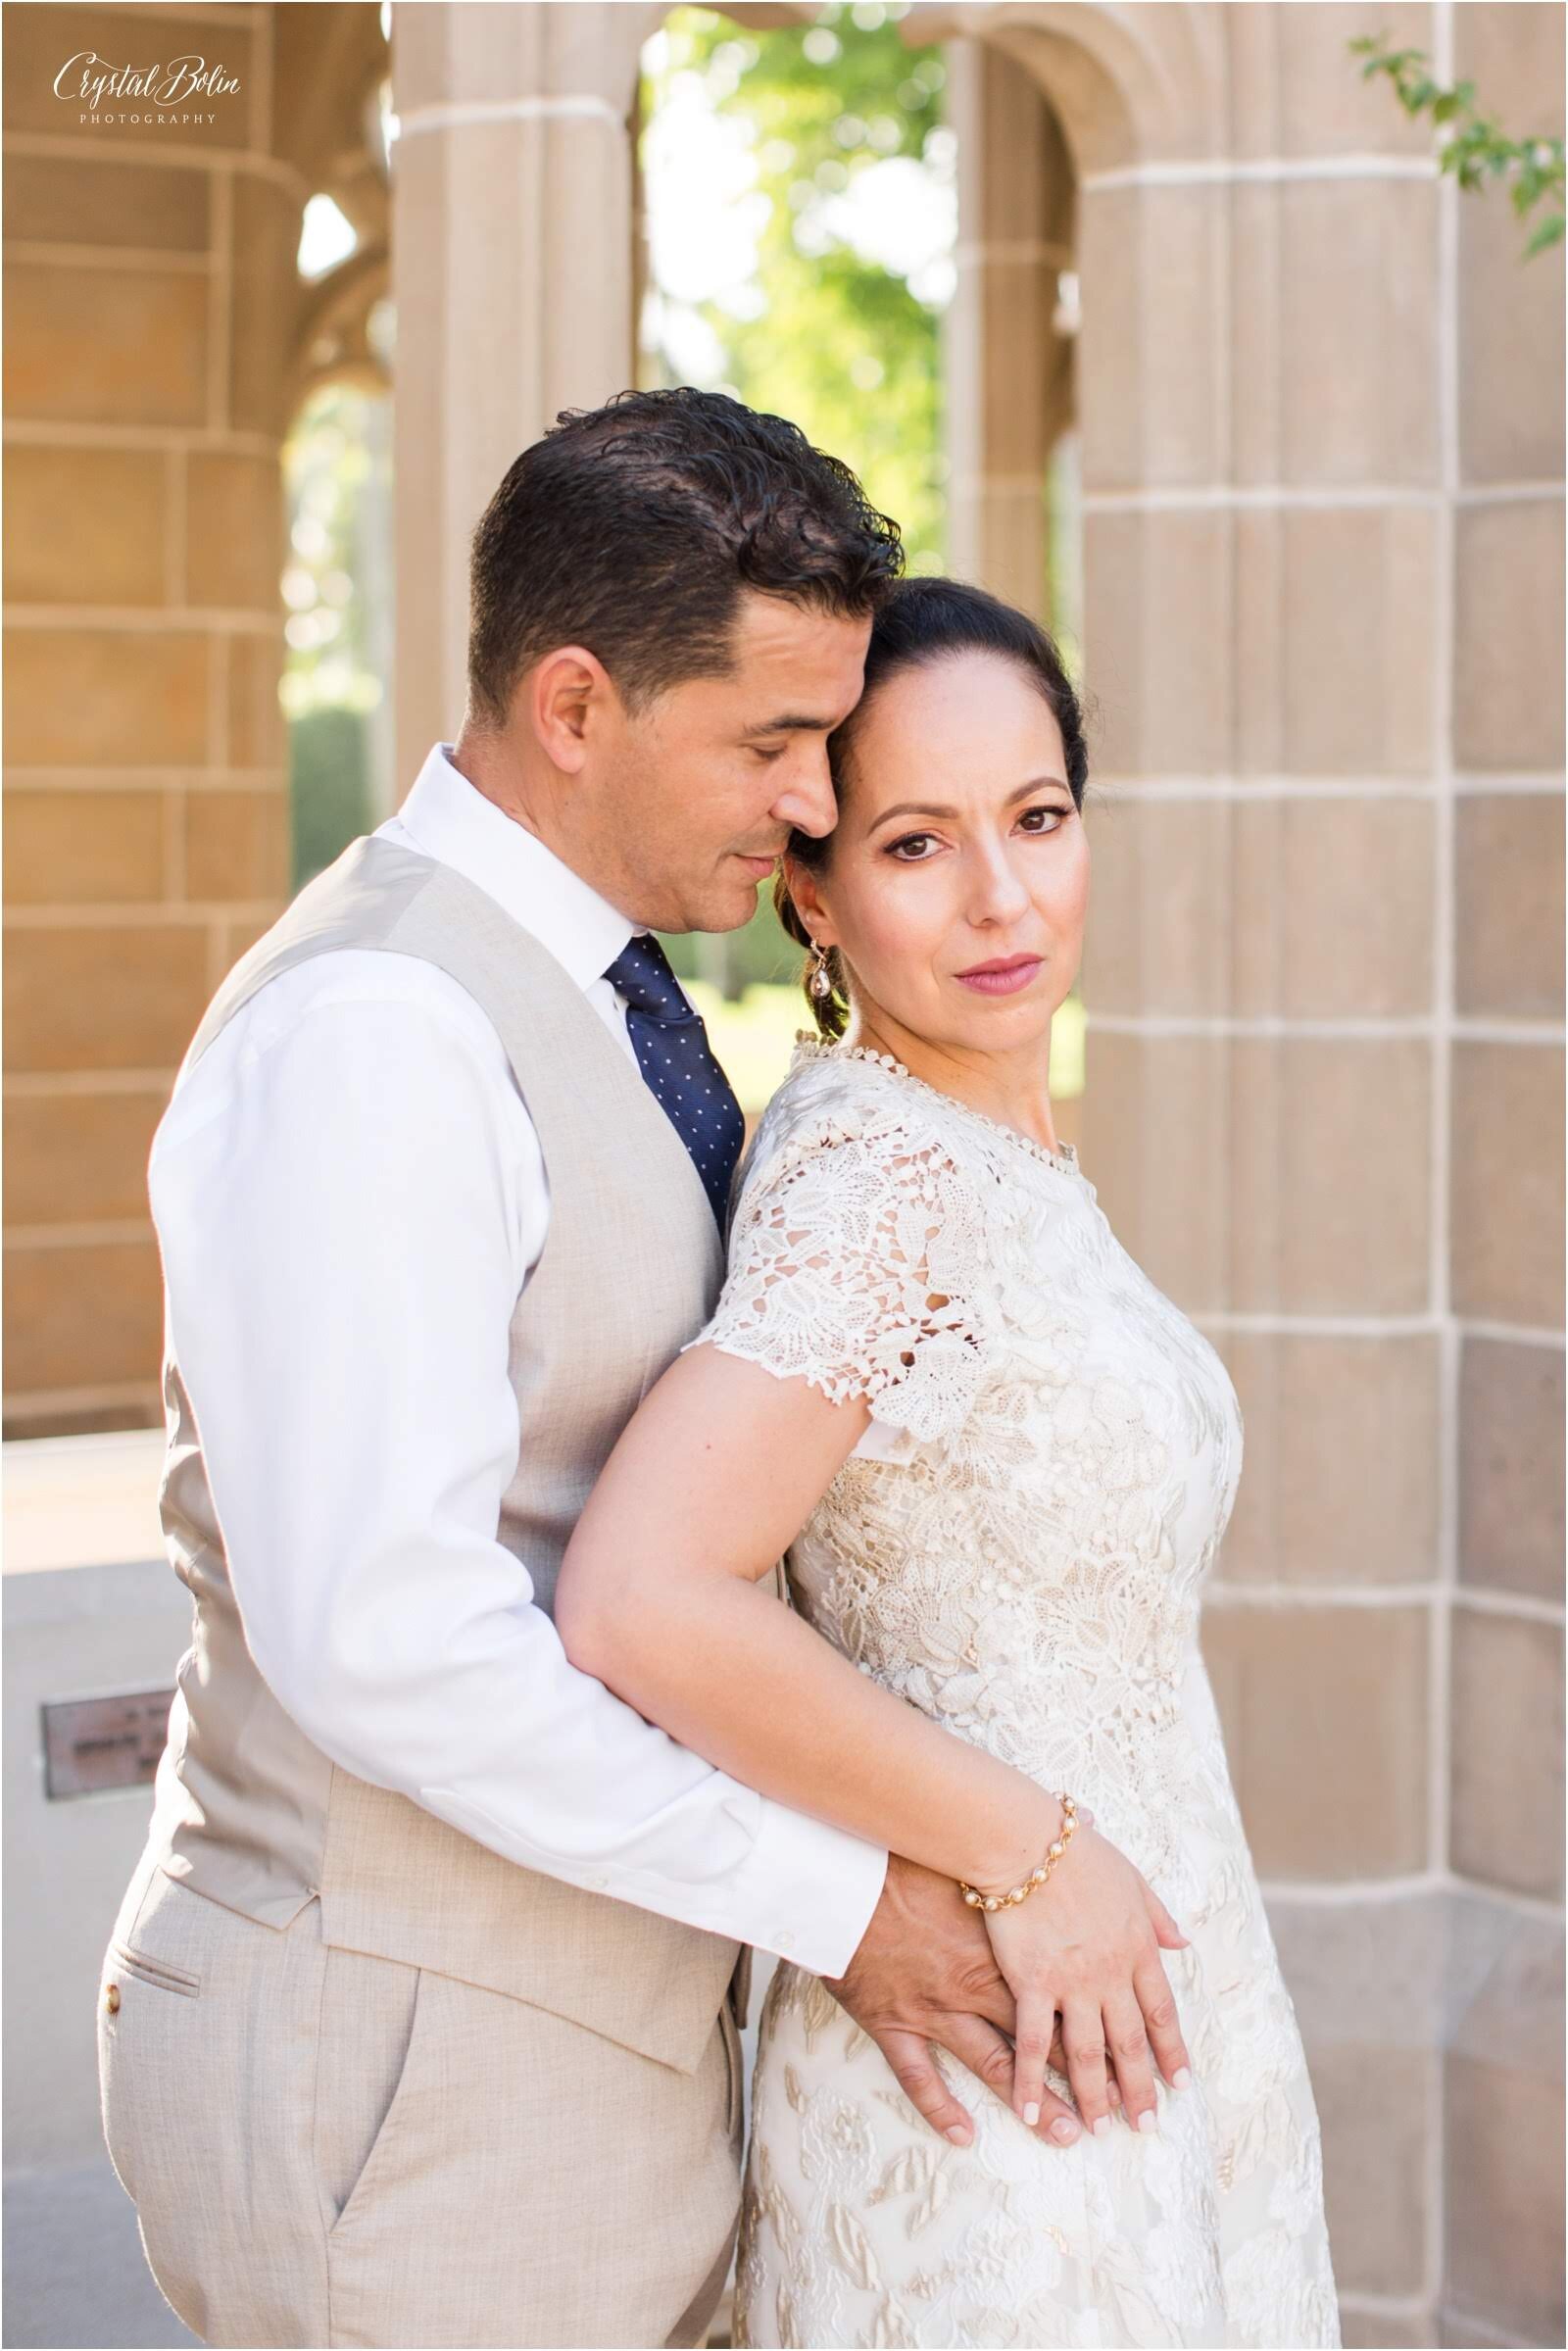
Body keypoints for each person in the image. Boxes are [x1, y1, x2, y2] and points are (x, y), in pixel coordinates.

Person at [96, 392, 1153, 2351]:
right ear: (573, 707)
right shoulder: (376, 1034)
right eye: (769, 745)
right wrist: (842, 1901)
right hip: (410, 2096)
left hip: (579, 2074)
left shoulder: (594, 982)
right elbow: (386, 1637)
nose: (813, 807)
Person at [555, 576, 1344, 2348]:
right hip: (1001, 2085)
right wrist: (1034, 1854)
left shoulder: (985, 1152)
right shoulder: (876, 1181)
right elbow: (641, 1595)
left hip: (1134, 2012)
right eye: (917, 844)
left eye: (1039, 819)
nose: (1003, 897)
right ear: (813, 893)